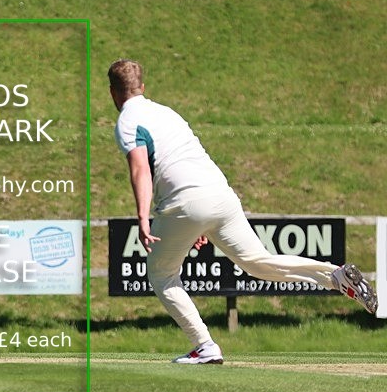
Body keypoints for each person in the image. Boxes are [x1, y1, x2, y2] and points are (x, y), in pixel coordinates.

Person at [109, 59, 377, 365]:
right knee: (259, 263)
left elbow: (141, 169)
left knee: (160, 274)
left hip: (185, 203)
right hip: (220, 194)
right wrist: (197, 223)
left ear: (113, 93)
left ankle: (204, 346)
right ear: (143, 87)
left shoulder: (127, 121)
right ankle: (335, 275)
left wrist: (143, 217)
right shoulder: (168, 113)